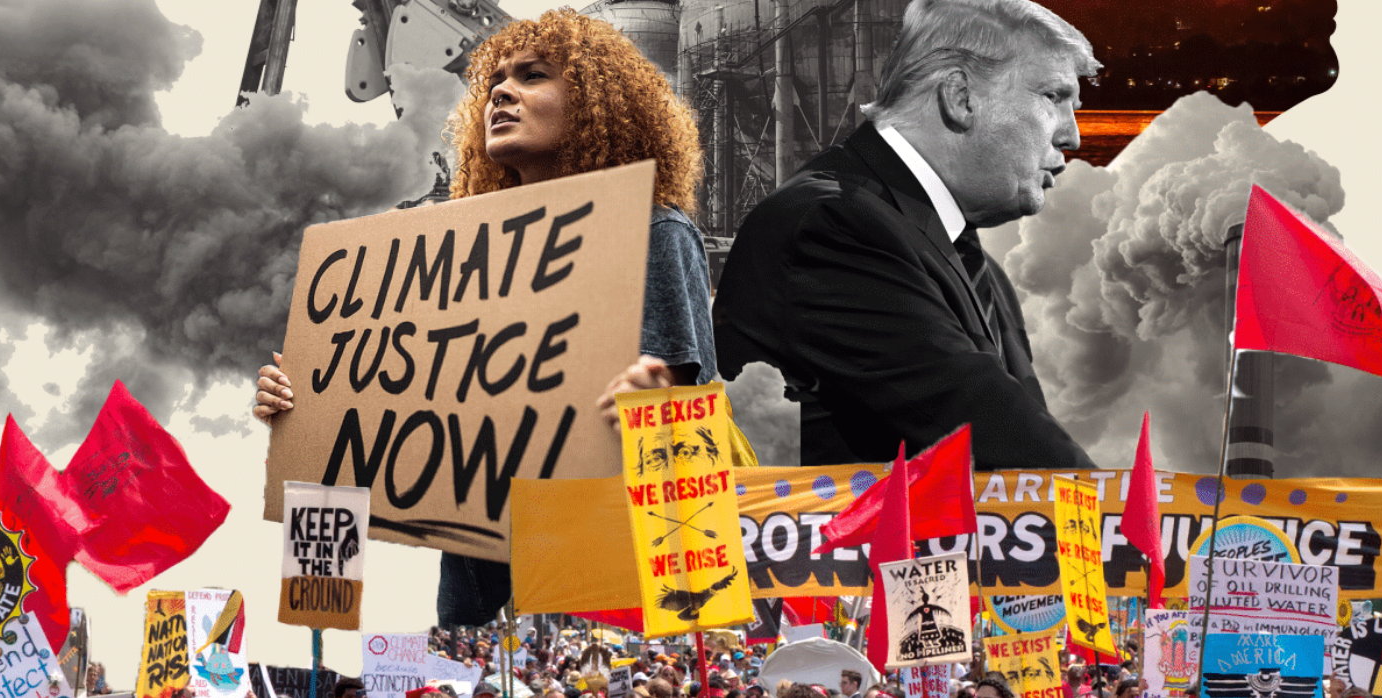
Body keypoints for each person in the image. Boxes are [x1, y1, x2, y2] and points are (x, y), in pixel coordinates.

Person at [252, 7, 715, 627]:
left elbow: (690, 430)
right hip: (486, 603)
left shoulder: (652, 231)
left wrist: (654, 402)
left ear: (596, 104)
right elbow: (399, 415)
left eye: (533, 76)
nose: (501, 89)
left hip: (609, 595)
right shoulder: (467, 260)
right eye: (495, 79)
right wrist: (304, 408)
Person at [711, 0, 1101, 471]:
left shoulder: (979, 268)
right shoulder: (831, 226)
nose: (1073, 137)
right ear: (961, 97)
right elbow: (1001, 445)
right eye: (1053, 98)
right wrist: (1125, 532)